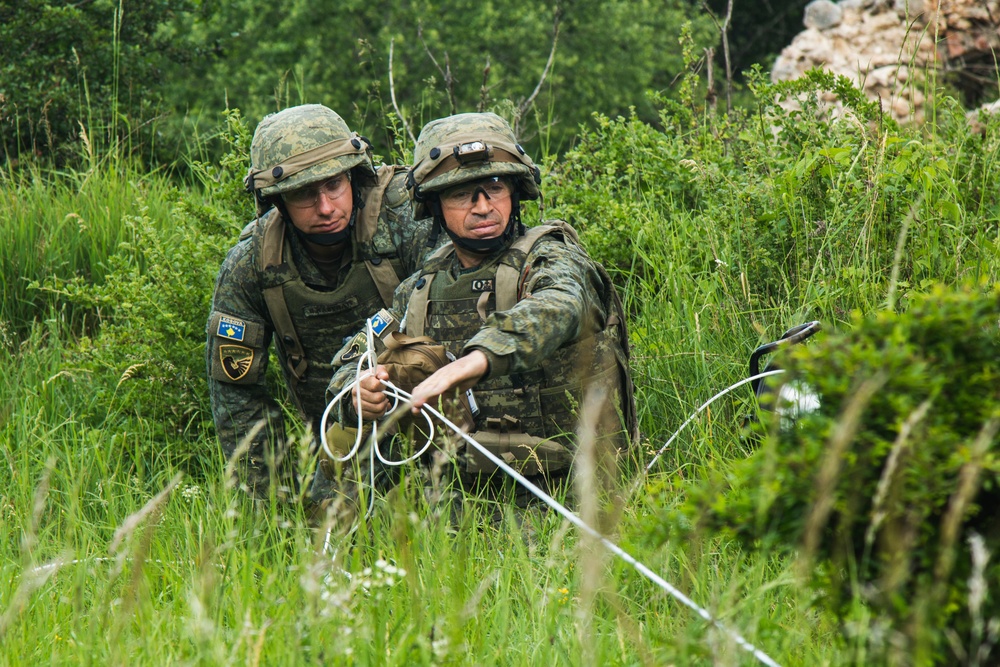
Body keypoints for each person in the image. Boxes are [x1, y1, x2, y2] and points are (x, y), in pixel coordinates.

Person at [328, 111, 637, 514]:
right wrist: (360, 395)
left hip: (576, 498)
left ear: (515, 191)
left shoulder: (551, 256)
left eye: (494, 187)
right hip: (461, 506)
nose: (482, 206)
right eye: (461, 194)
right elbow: (355, 360)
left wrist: (474, 361)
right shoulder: (419, 288)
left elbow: (559, 304)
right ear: (435, 205)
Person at [206, 104, 433, 503]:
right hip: (344, 439)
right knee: (333, 533)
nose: (325, 207)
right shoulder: (253, 263)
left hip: (436, 420)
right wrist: (273, 505)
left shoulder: (406, 222)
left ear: (354, 177)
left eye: (333, 185)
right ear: (276, 200)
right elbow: (238, 401)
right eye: (304, 194)